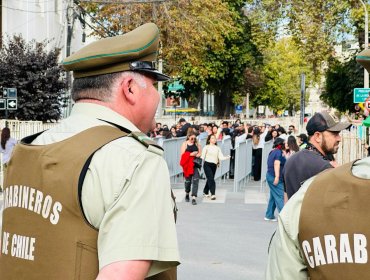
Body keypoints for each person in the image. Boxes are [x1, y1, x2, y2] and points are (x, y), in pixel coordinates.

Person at [0, 23, 180, 279]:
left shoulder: (28, 149)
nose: (157, 97)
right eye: (153, 86)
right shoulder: (135, 160)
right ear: (129, 88)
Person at [266, 157, 370, 279]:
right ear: (318, 136)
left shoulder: (305, 197)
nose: (339, 139)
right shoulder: (308, 195)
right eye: (334, 135)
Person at [283, 111, 351, 199]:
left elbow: (286, 199)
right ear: (318, 136)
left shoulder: (290, 161)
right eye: (335, 133)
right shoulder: (325, 168)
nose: (339, 138)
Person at [201, 134, 230, 200]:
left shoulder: (217, 148)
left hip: (214, 165)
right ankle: (213, 194)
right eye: (212, 138)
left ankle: (205, 191)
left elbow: (220, 157)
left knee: (209, 179)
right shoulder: (206, 147)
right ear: (209, 140)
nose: (214, 139)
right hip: (207, 164)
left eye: (214, 138)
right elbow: (202, 157)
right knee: (211, 179)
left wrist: (226, 157)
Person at [264, 137, 286, 221]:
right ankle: (284, 218)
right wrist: (277, 177)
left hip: (271, 175)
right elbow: (276, 164)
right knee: (280, 196)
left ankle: (269, 215)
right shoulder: (278, 152)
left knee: (273, 196)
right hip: (275, 177)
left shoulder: (273, 151)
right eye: (284, 143)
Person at [180, 131, 201, 205]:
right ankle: (187, 193)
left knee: (196, 180)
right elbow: (182, 154)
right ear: (188, 137)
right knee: (188, 181)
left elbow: (200, 153)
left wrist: (197, 154)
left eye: (194, 138)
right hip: (187, 165)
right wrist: (191, 154)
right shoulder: (185, 144)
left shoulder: (197, 143)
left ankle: (194, 197)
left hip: (195, 164)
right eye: (192, 137)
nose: (193, 139)